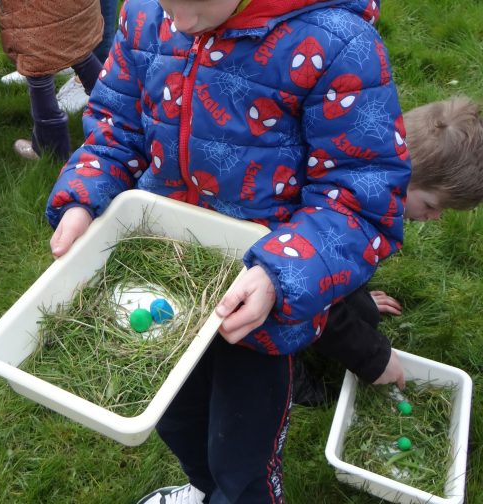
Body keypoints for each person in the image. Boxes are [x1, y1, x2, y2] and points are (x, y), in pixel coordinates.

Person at [45, 0, 411, 503]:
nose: (177, 20)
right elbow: (117, 125)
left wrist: (279, 275)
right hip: (164, 275)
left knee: (242, 460)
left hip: (260, 309)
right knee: (177, 419)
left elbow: (361, 198)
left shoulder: (339, 45)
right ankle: (201, 487)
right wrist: (85, 197)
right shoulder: (148, 14)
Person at [294, 96, 483, 405]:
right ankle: (292, 383)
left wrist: (357, 295)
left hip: (312, 267)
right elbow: (312, 293)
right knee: (278, 335)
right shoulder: (349, 211)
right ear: (403, 175)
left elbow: (340, 263)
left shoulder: (376, 190)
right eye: (432, 205)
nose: (433, 217)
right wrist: (373, 357)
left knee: (365, 314)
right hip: (268, 283)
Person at [0, 0, 105, 161]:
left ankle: (51, 150)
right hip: (77, 9)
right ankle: (115, 116)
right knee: (80, 51)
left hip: (34, 16)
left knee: (39, 70)